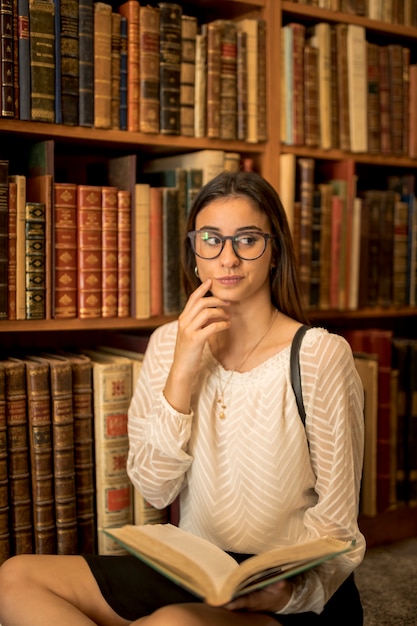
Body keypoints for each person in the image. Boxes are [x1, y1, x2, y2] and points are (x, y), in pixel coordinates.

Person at [0, 170, 365, 626]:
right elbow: (155, 488)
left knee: (174, 623)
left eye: (247, 240)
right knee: (16, 579)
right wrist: (184, 366)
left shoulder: (320, 354)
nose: (228, 257)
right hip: (195, 569)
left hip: (290, 590)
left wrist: (285, 593)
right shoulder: (168, 343)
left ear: (274, 253)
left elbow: (338, 525)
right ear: (195, 254)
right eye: (211, 239)